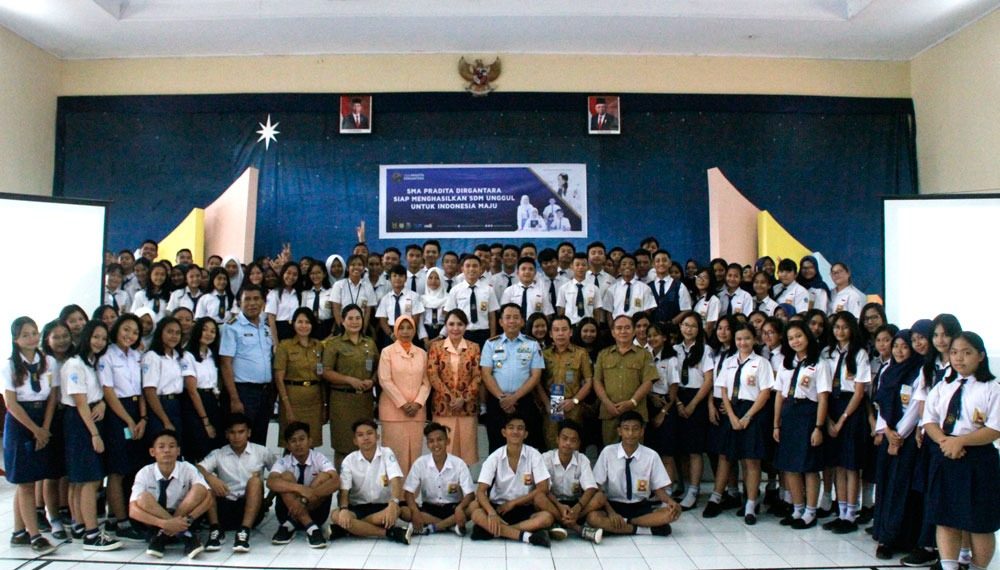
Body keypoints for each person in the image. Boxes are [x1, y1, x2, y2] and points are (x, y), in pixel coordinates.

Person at [920, 332, 999, 570]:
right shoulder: (944, 385)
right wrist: (945, 441)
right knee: (945, 518)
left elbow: (995, 428)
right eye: (954, 353)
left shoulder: (992, 387)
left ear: (981, 356)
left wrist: (961, 442)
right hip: (945, 453)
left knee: (979, 522)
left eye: (966, 353)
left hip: (978, 457)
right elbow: (929, 420)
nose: (959, 358)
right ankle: (949, 566)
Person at [3, 317, 59, 555]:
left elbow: (53, 396)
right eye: (25, 334)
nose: (32, 338)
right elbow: (11, 403)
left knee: (31, 479)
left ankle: (19, 532)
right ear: (16, 339)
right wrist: (35, 430)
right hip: (20, 423)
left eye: (35, 333)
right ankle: (35, 535)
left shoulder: (48, 362)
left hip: (42, 418)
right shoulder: (10, 366)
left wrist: (44, 427)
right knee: (24, 482)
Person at [871, 329, 925, 560]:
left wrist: (899, 435)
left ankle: (900, 537)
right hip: (889, 436)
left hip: (908, 440)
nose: (899, 351)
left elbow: (915, 407)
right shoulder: (886, 370)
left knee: (901, 487)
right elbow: (880, 403)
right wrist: (887, 432)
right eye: (897, 346)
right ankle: (884, 533)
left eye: (905, 346)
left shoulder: (920, 371)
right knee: (885, 484)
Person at [712, 325, 774, 525]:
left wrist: (747, 417)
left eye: (747, 338)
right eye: (739, 339)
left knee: (751, 460)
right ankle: (716, 497)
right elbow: (723, 391)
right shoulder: (729, 362)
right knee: (727, 456)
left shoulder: (761, 363)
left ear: (754, 340)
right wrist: (731, 416)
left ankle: (750, 504)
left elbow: (765, 392)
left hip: (753, 412)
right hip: (732, 410)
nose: (742, 343)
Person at [773, 321, 831, 529]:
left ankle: (810, 511)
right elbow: (779, 395)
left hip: (808, 415)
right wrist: (776, 424)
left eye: (799, 336)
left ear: (807, 336)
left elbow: (823, 398)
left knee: (808, 467)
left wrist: (818, 427)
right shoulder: (786, 363)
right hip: (789, 414)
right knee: (790, 466)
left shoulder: (819, 364)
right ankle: (797, 508)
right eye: (791, 338)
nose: (795, 341)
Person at [587, 411, 681, 536]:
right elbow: (597, 487)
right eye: (626, 429)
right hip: (614, 505)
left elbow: (658, 489)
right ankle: (641, 529)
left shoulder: (651, 455)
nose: (630, 434)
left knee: (670, 514)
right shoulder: (608, 452)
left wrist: (671, 502)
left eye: (635, 429)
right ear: (619, 431)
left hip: (640, 506)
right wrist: (611, 513)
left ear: (642, 431)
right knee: (592, 518)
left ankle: (624, 524)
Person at [820, 311, 871, 534]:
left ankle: (851, 514)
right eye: (836, 327)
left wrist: (841, 420)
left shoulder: (859, 354)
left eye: (845, 327)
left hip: (851, 410)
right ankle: (840, 512)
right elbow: (822, 387)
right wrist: (829, 419)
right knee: (837, 464)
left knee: (851, 466)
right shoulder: (827, 352)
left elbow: (859, 392)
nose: (840, 331)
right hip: (832, 405)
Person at [470, 413, 554, 547]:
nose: (515, 431)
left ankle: (495, 531)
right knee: (476, 513)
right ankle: (527, 536)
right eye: (511, 428)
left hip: (525, 506)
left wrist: (514, 503)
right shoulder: (494, 457)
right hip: (499, 508)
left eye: (520, 428)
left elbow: (543, 487)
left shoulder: (534, 455)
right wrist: (491, 513)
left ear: (525, 434)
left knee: (547, 518)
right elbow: (480, 491)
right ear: (504, 432)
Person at [196, 413, 275, 552]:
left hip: (251, 509)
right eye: (232, 432)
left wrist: (269, 499)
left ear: (249, 433)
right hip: (224, 509)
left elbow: (279, 473)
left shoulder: (261, 452)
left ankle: (244, 532)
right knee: (206, 483)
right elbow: (198, 468)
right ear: (226, 434)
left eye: (241, 432)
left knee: (255, 481)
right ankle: (215, 530)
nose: (236, 437)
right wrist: (211, 477)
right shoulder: (218, 453)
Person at [129, 429, 213, 559]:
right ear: (152, 452)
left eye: (172, 446)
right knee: (142, 498)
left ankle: (163, 536)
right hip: (154, 522)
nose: (167, 450)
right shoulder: (144, 472)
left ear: (178, 451)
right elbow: (133, 511)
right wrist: (164, 523)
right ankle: (185, 535)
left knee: (200, 488)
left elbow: (208, 498)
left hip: (185, 517)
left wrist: (187, 520)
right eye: (161, 447)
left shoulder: (187, 468)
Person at [333, 419, 413, 545]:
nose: (365, 438)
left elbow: (396, 480)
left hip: (382, 507)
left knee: (396, 511)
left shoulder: (387, 453)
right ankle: (389, 533)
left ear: (377, 436)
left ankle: (349, 529)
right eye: (360, 435)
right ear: (355, 441)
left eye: (369, 433)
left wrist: (394, 503)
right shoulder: (349, 460)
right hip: (357, 507)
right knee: (336, 515)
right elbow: (344, 491)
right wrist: (343, 509)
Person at [480, 304, 546, 451]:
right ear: (500, 322)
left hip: (523, 401)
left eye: (516, 317)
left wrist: (514, 397)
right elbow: (486, 374)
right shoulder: (490, 344)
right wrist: (502, 398)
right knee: (497, 447)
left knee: (527, 448)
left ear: (522, 321)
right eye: (508, 317)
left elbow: (535, 376)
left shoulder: (532, 344)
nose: (512, 321)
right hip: (498, 403)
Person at [266, 422, 337, 548]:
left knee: (325, 477)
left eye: (302, 439)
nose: (298, 444)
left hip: (317, 513)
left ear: (310, 441)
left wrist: (304, 500)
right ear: (287, 445)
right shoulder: (283, 461)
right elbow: (270, 482)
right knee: (285, 477)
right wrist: (300, 489)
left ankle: (290, 525)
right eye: (293, 441)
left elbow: (336, 481)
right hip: (286, 513)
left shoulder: (319, 458)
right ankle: (311, 528)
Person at [219, 284, 274, 446]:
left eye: (256, 299)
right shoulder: (232, 327)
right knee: (240, 441)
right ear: (239, 303)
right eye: (247, 299)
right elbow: (225, 363)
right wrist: (235, 398)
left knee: (259, 440)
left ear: (263, 302)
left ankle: (256, 472)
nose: (252, 303)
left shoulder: (266, 326)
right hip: (243, 392)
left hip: (264, 393)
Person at [322, 304, 378, 461]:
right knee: (343, 446)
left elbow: (378, 368)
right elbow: (325, 371)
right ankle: (343, 484)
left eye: (358, 318)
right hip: (342, 402)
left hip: (364, 402)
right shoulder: (334, 344)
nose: (355, 322)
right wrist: (348, 380)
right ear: (343, 321)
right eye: (350, 318)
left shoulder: (370, 343)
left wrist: (372, 381)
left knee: (365, 445)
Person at [426, 309, 482, 464]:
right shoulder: (436, 347)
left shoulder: (474, 347)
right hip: (443, 407)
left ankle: (463, 486)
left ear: (466, 326)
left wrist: (463, 399)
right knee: (444, 451)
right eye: (451, 324)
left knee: (466, 452)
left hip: (467, 408)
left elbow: (478, 376)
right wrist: (451, 397)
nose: (455, 328)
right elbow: (432, 375)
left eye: (460, 324)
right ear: (445, 326)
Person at [593, 314, 657, 445]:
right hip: (610, 412)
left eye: (627, 328)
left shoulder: (644, 355)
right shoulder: (603, 355)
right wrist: (606, 402)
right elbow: (597, 381)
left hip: (635, 412)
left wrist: (632, 402)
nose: (623, 331)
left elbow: (648, 381)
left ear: (634, 331)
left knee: (636, 453)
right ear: (613, 332)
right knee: (610, 454)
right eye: (619, 328)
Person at [537, 420, 605, 542]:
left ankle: (562, 522)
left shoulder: (582, 459)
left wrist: (577, 508)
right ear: (557, 439)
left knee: (599, 496)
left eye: (573, 440)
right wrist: (559, 506)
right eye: (564, 438)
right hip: (554, 503)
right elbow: (545, 489)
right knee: (539, 497)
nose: (568, 443)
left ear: (578, 443)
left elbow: (590, 488)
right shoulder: (546, 458)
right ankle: (577, 528)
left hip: (577, 505)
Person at [378, 315, 430, 472]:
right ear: (395, 330)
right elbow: (385, 380)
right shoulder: (387, 352)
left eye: (409, 328)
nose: (405, 332)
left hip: (416, 413)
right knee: (394, 459)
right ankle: (395, 496)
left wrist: (417, 403)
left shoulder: (422, 353)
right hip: (392, 413)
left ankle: (411, 496)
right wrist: (403, 404)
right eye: (401, 328)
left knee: (415, 458)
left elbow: (426, 382)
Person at [404, 422, 476, 536]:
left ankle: (434, 527)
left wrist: (460, 508)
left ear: (447, 441)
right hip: (429, 509)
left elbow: (470, 494)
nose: (436, 444)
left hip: (453, 509)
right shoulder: (420, 463)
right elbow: (408, 492)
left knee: (475, 505)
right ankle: (451, 526)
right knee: (404, 511)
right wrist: (415, 511)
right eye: (431, 441)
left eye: (440, 439)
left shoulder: (459, 463)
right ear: (427, 444)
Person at [674, 311, 715, 510]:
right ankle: (682, 485)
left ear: (699, 330)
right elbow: (671, 379)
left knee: (694, 449)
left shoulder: (706, 350)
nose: (688, 329)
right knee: (680, 448)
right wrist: (679, 403)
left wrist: (692, 404)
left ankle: (694, 489)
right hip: (677, 397)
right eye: (685, 325)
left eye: (693, 326)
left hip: (696, 399)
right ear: (680, 327)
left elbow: (708, 381)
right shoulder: (674, 349)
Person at [538, 315, 593, 449]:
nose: (560, 333)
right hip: (552, 407)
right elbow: (537, 382)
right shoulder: (544, 354)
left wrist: (574, 401)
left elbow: (589, 381)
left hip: (572, 406)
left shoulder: (581, 353)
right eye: (556, 330)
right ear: (551, 334)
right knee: (552, 445)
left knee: (572, 446)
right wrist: (546, 403)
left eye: (564, 329)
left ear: (571, 332)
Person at [273, 307, 324, 448]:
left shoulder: (318, 346)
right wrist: (286, 405)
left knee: (310, 444)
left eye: (307, 322)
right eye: (300, 322)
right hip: (292, 401)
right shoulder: (285, 346)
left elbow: (322, 377)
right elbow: (279, 378)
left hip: (314, 402)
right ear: (293, 324)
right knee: (292, 444)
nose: (303, 326)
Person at [181, 317, 224, 462]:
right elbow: (192, 391)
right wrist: (205, 421)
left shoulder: (212, 356)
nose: (209, 334)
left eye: (213, 331)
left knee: (213, 448)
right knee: (198, 449)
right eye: (205, 329)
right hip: (195, 405)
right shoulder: (188, 355)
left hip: (211, 401)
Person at [143, 316, 191, 440]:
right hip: (160, 406)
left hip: (177, 404)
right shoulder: (152, 356)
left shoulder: (178, 357)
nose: (174, 336)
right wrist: (165, 420)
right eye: (169, 332)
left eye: (177, 333)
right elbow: (149, 391)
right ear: (160, 332)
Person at [443, 254, 499, 347]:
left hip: (483, 333)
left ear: (480, 269)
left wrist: (492, 335)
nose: (471, 269)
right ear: (462, 269)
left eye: (475, 266)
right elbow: (449, 314)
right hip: (462, 333)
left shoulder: (488, 290)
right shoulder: (456, 290)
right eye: (468, 266)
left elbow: (492, 315)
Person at [375, 264, 424, 349]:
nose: (397, 278)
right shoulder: (385, 298)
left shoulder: (414, 296)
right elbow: (382, 320)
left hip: (408, 332)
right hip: (390, 334)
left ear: (405, 279)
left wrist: (408, 332)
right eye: (394, 276)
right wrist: (391, 335)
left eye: (401, 276)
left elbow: (416, 317)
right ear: (390, 279)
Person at [330, 254, 377, 334]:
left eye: (359, 265)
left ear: (363, 268)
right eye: (353, 265)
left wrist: (363, 330)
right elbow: (336, 310)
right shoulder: (339, 285)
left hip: (361, 327)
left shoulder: (368, 286)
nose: (356, 267)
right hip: (342, 327)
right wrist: (343, 329)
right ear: (348, 268)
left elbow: (367, 312)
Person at [557, 252, 606, 327]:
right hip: (571, 326)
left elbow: (596, 312)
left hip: (588, 326)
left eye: (583, 265)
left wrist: (596, 328)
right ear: (571, 266)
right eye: (577, 265)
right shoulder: (564, 288)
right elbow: (561, 312)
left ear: (588, 267)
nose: (580, 267)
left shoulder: (594, 288)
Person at [603, 254, 656, 319]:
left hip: (637, 325)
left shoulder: (645, 288)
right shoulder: (612, 289)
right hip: (618, 326)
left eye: (631, 264)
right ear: (619, 269)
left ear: (636, 268)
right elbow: (609, 312)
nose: (627, 266)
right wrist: (612, 328)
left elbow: (647, 310)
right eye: (624, 264)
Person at [650, 250, 692, 325]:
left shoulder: (679, 286)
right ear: (653, 264)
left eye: (664, 260)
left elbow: (687, 310)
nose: (661, 263)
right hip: (653, 332)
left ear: (670, 263)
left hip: (673, 332)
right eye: (658, 261)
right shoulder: (648, 287)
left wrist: (671, 323)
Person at [265, 262, 302, 341]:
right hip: (280, 331)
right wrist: (275, 342)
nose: (291, 277)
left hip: (296, 332)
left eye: (295, 274)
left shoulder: (299, 294)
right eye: (288, 273)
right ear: (283, 273)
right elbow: (271, 320)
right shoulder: (274, 294)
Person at [419, 267, 449, 342]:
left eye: (437, 278)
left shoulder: (448, 298)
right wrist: (425, 339)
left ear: (442, 280)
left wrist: (440, 336)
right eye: (430, 278)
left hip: (443, 333)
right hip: (426, 333)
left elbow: (450, 321)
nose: (433, 281)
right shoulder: (422, 299)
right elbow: (420, 322)